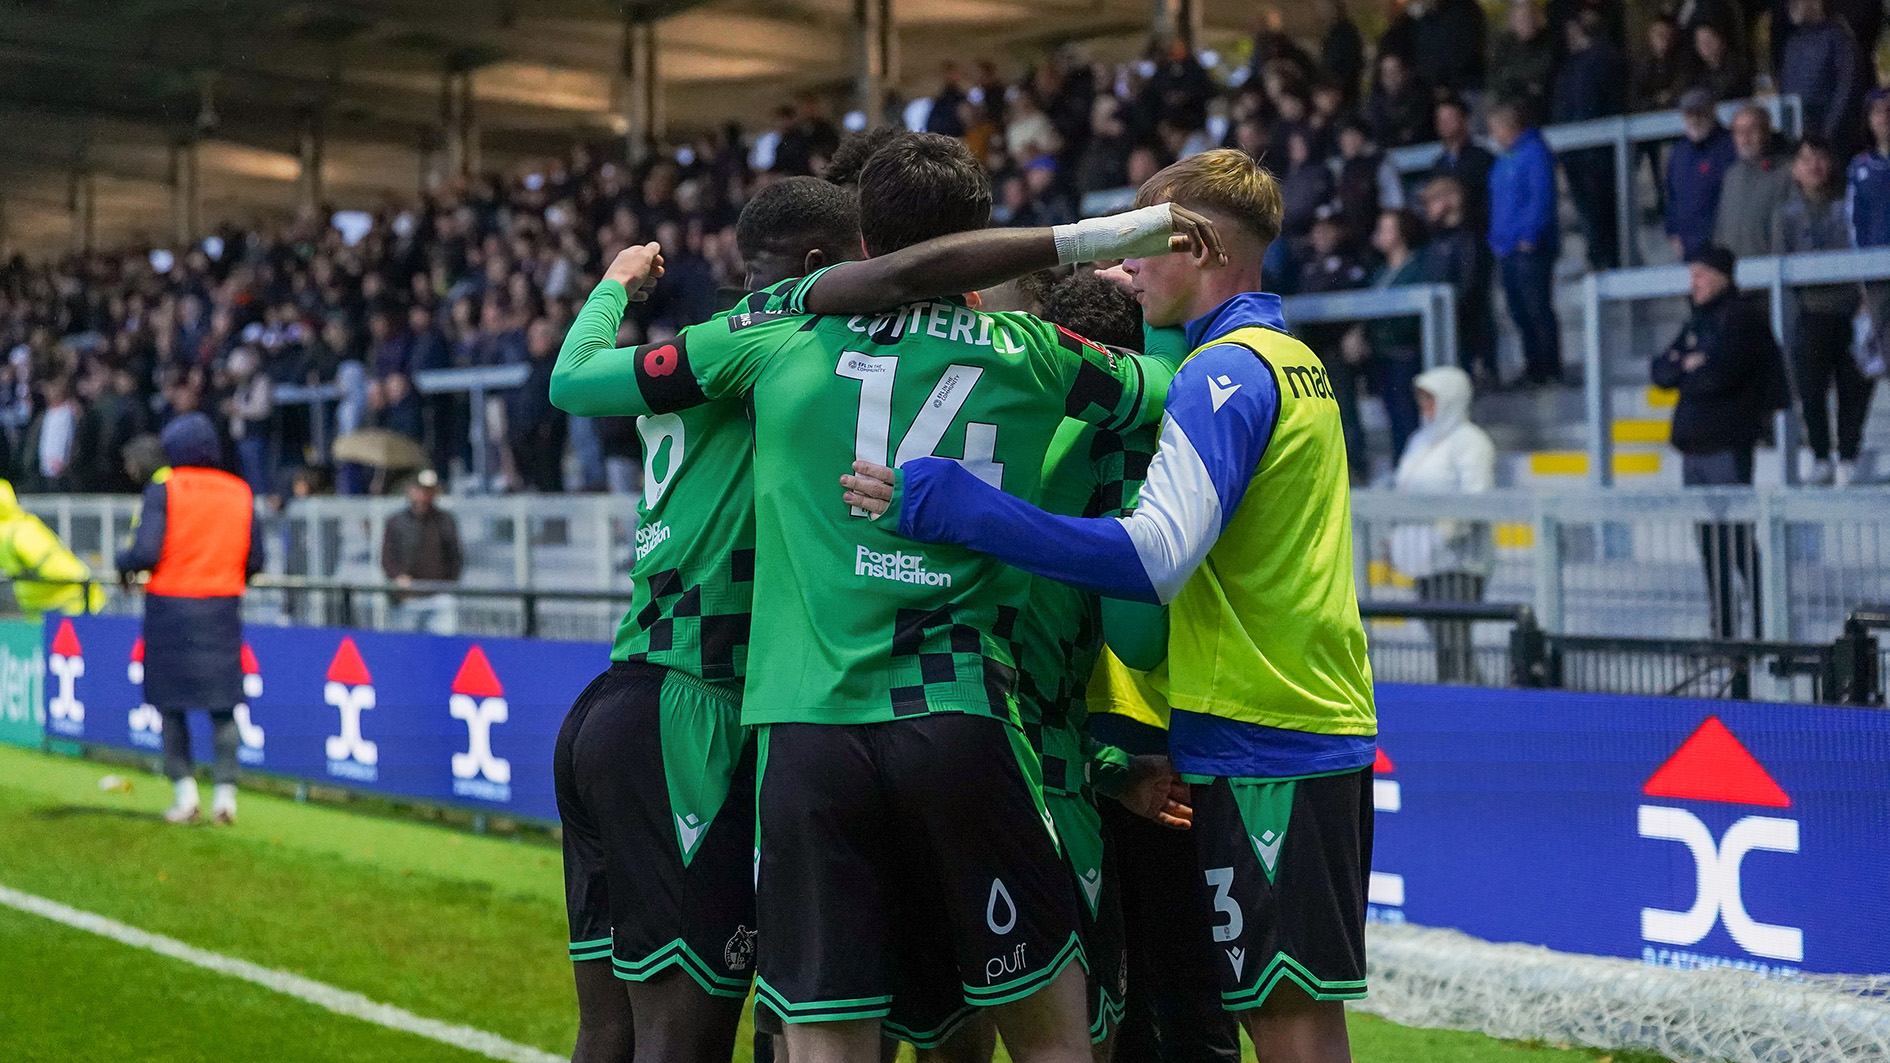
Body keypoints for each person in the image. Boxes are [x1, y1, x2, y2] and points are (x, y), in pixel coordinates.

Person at [556, 139, 1217, 1063]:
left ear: (867, 241)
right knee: (1047, 1036)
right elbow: (1171, 388)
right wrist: (1156, 284)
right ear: (976, 239)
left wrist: (615, 287)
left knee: (820, 1036)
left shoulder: (773, 337)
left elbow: (578, 380)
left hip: (808, 727)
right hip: (960, 718)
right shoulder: (1036, 352)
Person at [842, 147, 1378, 1063]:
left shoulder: (1223, 376)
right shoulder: (1291, 361)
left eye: (1140, 244)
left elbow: (1153, 557)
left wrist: (968, 508)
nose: (1124, 269)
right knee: (1285, 1016)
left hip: (1266, 733)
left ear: (1196, 245)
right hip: (1297, 720)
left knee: (1288, 1025)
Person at [114, 413, 263, 825]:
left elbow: (146, 552)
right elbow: (255, 559)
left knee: (171, 706)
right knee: (224, 707)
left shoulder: (166, 489)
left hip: (171, 610)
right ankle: (226, 798)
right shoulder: (240, 491)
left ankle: (186, 797)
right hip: (222, 609)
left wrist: (122, 561)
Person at [1651, 245, 1779, 639]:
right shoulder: (1698, 320)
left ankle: (1763, 627)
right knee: (1710, 545)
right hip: (1694, 451)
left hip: (1726, 448)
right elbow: (1661, 371)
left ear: (1723, 276)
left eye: (1701, 275)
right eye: (1692, 275)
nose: (1694, 283)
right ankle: (1723, 629)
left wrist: (1688, 367)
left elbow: (1720, 374)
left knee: (1737, 542)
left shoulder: (1741, 319)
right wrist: (1689, 364)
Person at [1774, 136, 1873, 485]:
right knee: (1811, 389)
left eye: (1820, 157)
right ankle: (1819, 455)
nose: (1813, 166)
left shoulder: (1851, 205)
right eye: (1805, 159)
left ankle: (1848, 455)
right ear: (1794, 169)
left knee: (1855, 386)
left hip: (1852, 310)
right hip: (1811, 312)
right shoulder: (1785, 215)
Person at [1389, 366, 1496, 684]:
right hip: (1424, 560)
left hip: (1458, 563)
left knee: (1453, 639)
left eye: (1430, 398)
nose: (1424, 405)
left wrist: (1448, 532)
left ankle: (1467, 697)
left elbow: (1477, 494)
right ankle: (1459, 693)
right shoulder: (1420, 439)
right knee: (1442, 641)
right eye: (1421, 398)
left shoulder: (1471, 441)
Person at [1488, 100, 1563, 384]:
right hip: (1506, 247)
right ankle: (1532, 365)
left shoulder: (1534, 154)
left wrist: (1530, 236)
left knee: (1536, 307)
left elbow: (1541, 198)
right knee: (1518, 309)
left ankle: (1548, 366)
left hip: (1529, 248)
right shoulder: (1504, 159)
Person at [1348, 208, 1428, 463]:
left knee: (1407, 415)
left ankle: (1412, 464)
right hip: (1381, 355)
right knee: (1392, 415)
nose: (1379, 234)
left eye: (1386, 229)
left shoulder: (1417, 267)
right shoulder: (1379, 271)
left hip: (1406, 354)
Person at [1552, 11, 1629, 270]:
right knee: (1590, 213)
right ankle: (1599, 259)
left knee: (1601, 211)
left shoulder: (1601, 60)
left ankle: (1607, 262)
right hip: (1577, 154)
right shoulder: (1570, 66)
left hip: (1596, 154)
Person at [1420, 175, 1497, 385]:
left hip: (1466, 324)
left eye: (1433, 201)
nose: (1428, 209)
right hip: (1444, 323)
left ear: (1452, 200)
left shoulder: (1468, 238)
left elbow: (1470, 283)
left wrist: (1451, 307)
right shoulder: (1434, 238)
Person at [0, 479, 104, 618]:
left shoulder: (16, 530)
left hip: (51, 603)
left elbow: (47, 565)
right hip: (64, 600)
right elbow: (49, 565)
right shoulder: (23, 525)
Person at [380, 468, 464, 634]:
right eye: (420, 490)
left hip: (439, 596)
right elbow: (388, 558)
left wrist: (446, 584)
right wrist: (399, 577)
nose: (424, 496)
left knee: (443, 641)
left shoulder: (445, 521)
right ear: (411, 491)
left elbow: (456, 558)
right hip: (408, 598)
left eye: (428, 491)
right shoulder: (397, 521)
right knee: (407, 643)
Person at [1779, 0, 1861, 154]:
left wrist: (1829, 128)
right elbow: (1786, 87)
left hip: (1829, 132)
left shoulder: (1836, 37)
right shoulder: (1792, 42)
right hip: (1797, 134)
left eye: (1796, 3)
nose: (1790, 8)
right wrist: (1790, 130)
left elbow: (1846, 85)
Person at [1664, 89, 1738, 259]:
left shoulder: (1731, 146)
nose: (1694, 120)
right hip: (1689, 249)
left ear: (1712, 111)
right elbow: (1671, 196)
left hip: (1724, 249)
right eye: (1689, 114)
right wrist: (1672, 232)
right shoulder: (1679, 152)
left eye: (1699, 113)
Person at [1713, 104, 1793, 258]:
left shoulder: (1787, 173)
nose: (1745, 138)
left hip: (1771, 266)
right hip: (1734, 267)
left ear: (1766, 132)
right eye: (1739, 132)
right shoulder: (1731, 175)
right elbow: (1721, 228)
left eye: (1752, 130)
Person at [1428, 95, 1495, 236]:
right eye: (1440, 119)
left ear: (1464, 120)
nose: (1444, 124)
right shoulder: (1438, 165)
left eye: (1450, 118)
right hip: (1448, 240)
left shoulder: (1482, 159)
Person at [1488, 0, 1558, 124]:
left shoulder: (1548, 43)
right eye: (1520, 19)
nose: (1526, 23)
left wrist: (1514, 80)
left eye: (1528, 17)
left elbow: (1542, 74)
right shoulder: (1503, 46)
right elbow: (1496, 79)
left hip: (1541, 109)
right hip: (1509, 110)